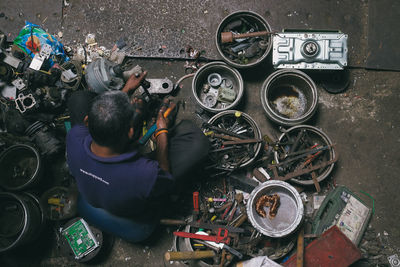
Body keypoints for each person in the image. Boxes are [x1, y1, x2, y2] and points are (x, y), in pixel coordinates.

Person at [66, 72, 209, 242]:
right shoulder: (145, 173)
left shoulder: (75, 136)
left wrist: (125, 90)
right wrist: (162, 134)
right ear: (131, 132)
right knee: (197, 141)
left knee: (78, 99)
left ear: (87, 122)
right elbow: (167, 181)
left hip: (93, 197)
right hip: (134, 216)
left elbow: (97, 114)